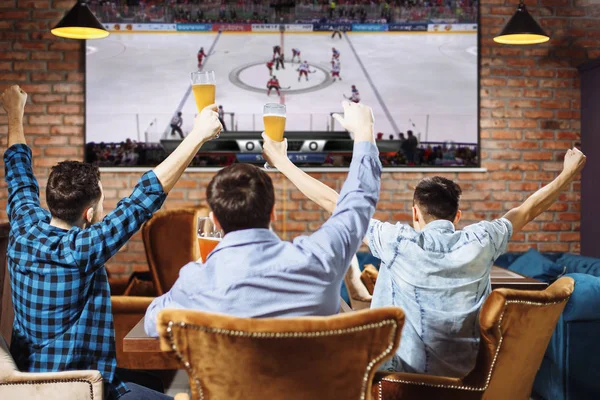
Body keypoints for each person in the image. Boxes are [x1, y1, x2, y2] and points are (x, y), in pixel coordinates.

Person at [259, 126, 587, 377]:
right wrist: (568, 173)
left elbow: (338, 204)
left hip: (401, 373)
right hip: (470, 374)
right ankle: (357, 288)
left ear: (415, 213)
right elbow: (528, 209)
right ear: (457, 217)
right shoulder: (483, 239)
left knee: (333, 306)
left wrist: (283, 162)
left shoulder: (399, 240)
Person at [2, 85, 222, 399]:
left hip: (29, 382)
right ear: (89, 213)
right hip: (77, 388)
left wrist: (15, 114)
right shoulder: (81, 250)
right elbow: (144, 198)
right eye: (104, 202)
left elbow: (18, 171)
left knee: (152, 382)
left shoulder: (24, 228)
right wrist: (198, 135)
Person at [144, 101, 381, 336]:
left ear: (215, 221)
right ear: (272, 212)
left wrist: (199, 267)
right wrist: (363, 133)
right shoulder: (320, 257)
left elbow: (153, 322)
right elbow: (357, 200)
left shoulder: (196, 280)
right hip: (309, 374)